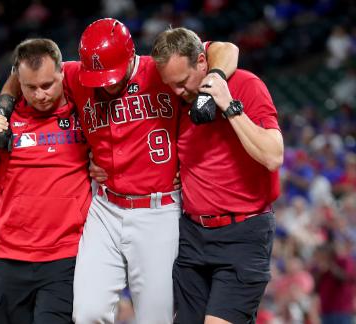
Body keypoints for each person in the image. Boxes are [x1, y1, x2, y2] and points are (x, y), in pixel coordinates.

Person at [60, 18, 238, 324]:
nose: (106, 83)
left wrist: (215, 80)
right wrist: (4, 104)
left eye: (111, 74)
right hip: (105, 208)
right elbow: (29, 67)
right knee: (86, 313)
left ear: (131, 56)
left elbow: (226, 49)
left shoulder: (160, 71)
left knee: (156, 319)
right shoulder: (76, 75)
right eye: (98, 76)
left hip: (159, 211)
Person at [151, 27, 283, 323]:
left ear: (202, 62)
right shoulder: (180, 98)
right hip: (192, 236)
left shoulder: (246, 84)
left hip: (243, 234)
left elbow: (273, 156)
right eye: (170, 85)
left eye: (183, 82)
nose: (177, 92)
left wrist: (228, 105)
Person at [0, 38, 91, 324]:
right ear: (18, 81)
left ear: (62, 73)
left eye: (47, 85)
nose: (40, 95)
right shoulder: (3, 123)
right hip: (11, 260)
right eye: (31, 88)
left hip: (65, 258)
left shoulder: (83, 113)